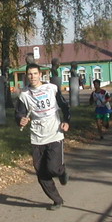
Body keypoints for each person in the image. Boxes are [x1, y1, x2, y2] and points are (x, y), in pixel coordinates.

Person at [15, 63, 71, 211]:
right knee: (41, 173)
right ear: (26, 76)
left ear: (40, 75)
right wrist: (21, 119)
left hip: (54, 133)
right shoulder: (24, 94)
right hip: (37, 137)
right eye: (29, 74)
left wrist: (66, 121)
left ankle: (61, 171)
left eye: (35, 74)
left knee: (52, 168)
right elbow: (19, 113)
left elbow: (64, 106)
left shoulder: (51, 88)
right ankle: (57, 200)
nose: (32, 77)